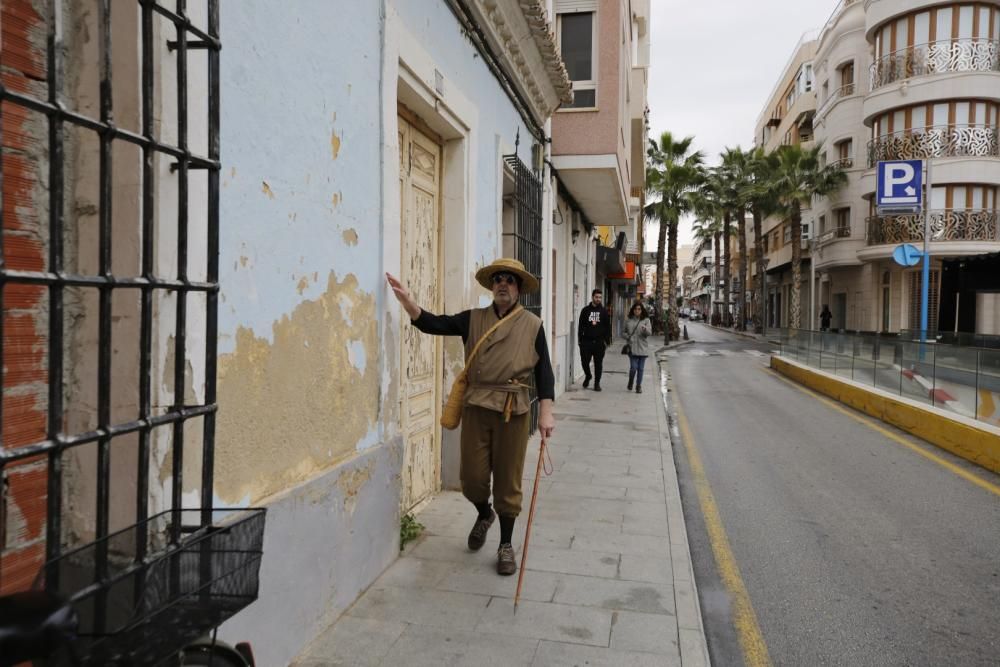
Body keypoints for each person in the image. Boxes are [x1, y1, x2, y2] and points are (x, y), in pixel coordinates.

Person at [385, 258, 555, 576]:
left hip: (512, 410)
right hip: (476, 405)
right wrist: (409, 303)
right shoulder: (473, 319)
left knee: (508, 480)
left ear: (519, 288)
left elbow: (544, 371)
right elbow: (435, 323)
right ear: (492, 287)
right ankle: (484, 512)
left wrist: (545, 412)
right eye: (498, 279)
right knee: (472, 480)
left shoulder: (533, 325)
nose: (503, 284)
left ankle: (505, 544)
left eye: (510, 280)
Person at [578, 289, 611, 391]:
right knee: (584, 362)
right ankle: (588, 376)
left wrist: (607, 341)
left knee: (598, 364)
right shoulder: (585, 310)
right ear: (592, 297)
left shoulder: (604, 311)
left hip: (599, 342)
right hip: (586, 341)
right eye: (596, 297)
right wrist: (580, 339)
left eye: (600, 297)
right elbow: (581, 325)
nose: (598, 299)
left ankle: (597, 384)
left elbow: (607, 327)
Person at [623, 302, 652, 393]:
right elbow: (623, 333)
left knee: (641, 369)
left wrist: (645, 329)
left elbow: (649, 333)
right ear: (633, 310)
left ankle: (638, 386)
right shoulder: (628, 320)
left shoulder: (646, 320)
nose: (637, 311)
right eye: (635, 309)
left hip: (643, 347)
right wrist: (628, 337)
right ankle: (631, 381)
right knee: (633, 368)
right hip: (632, 347)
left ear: (642, 310)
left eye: (639, 309)